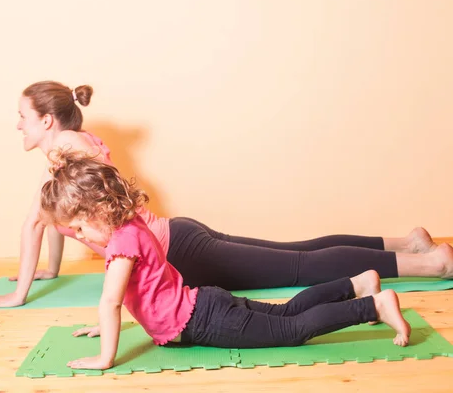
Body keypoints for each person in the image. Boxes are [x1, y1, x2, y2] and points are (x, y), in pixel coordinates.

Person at [0, 81, 453, 308]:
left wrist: (19, 293)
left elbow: (35, 221)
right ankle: (408, 244)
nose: (17, 124)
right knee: (295, 253)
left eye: (22, 116)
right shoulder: (67, 153)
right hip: (178, 236)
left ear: (47, 121)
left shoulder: (68, 151)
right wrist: (50, 270)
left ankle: (430, 264)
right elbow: (54, 217)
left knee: (299, 267)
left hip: (177, 252)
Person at [38, 149, 411, 370]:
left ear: (99, 211)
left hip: (202, 320)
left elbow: (112, 299)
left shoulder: (121, 244)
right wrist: (106, 325)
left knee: (291, 331)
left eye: (80, 229)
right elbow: (143, 291)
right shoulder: (132, 224)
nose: (82, 239)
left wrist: (105, 357)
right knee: (284, 314)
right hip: (204, 302)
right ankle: (354, 284)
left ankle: (372, 307)